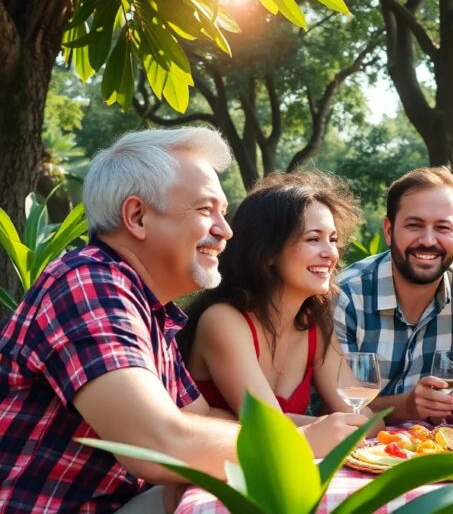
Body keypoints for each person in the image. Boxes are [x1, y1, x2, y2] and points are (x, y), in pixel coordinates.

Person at [0, 128, 364, 514]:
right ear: (137, 216)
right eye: (207, 210)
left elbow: (200, 417)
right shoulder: (87, 283)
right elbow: (157, 445)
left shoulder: (148, 307)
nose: (226, 231)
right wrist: (301, 442)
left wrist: (308, 431)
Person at [180, 171, 372, 423]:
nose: (330, 253)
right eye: (313, 239)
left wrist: (342, 424)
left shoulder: (314, 323)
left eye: (333, 240)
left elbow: (367, 419)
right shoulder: (223, 320)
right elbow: (269, 427)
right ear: (268, 251)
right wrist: (332, 425)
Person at [334, 166, 453, 425]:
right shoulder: (347, 297)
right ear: (389, 230)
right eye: (414, 225)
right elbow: (333, 406)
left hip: (446, 450)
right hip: (363, 454)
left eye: (443, 228)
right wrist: (407, 406)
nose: (428, 240)